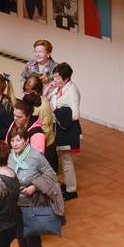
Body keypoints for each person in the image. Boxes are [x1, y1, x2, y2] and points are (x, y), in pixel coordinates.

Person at [8, 129, 64, 247]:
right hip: (16, 204)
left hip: (32, 204)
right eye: (12, 141)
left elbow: (52, 175)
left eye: (18, 140)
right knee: (20, 236)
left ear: (26, 141)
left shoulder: (36, 156)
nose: (15, 144)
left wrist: (34, 186)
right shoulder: (11, 155)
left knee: (32, 240)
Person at [47, 63, 81, 199]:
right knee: (63, 158)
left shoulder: (72, 91)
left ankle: (71, 190)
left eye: (57, 78)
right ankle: (67, 184)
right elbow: (46, 99)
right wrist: (50, 87)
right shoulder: (57, 88)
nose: (54, 80)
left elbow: (75, 115)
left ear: (66, 78)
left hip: (67, 130)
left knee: (66, 160)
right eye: (54, 77)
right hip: (59, 128)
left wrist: (57, 112)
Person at [20, 75, 58, 170]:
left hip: (45, 147)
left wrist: (32, 142)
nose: (25, 94)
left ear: (37, 92)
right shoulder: (29, 101)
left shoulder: (43, 106)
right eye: (25, 91)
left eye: (28, 91)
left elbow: (45, 131)